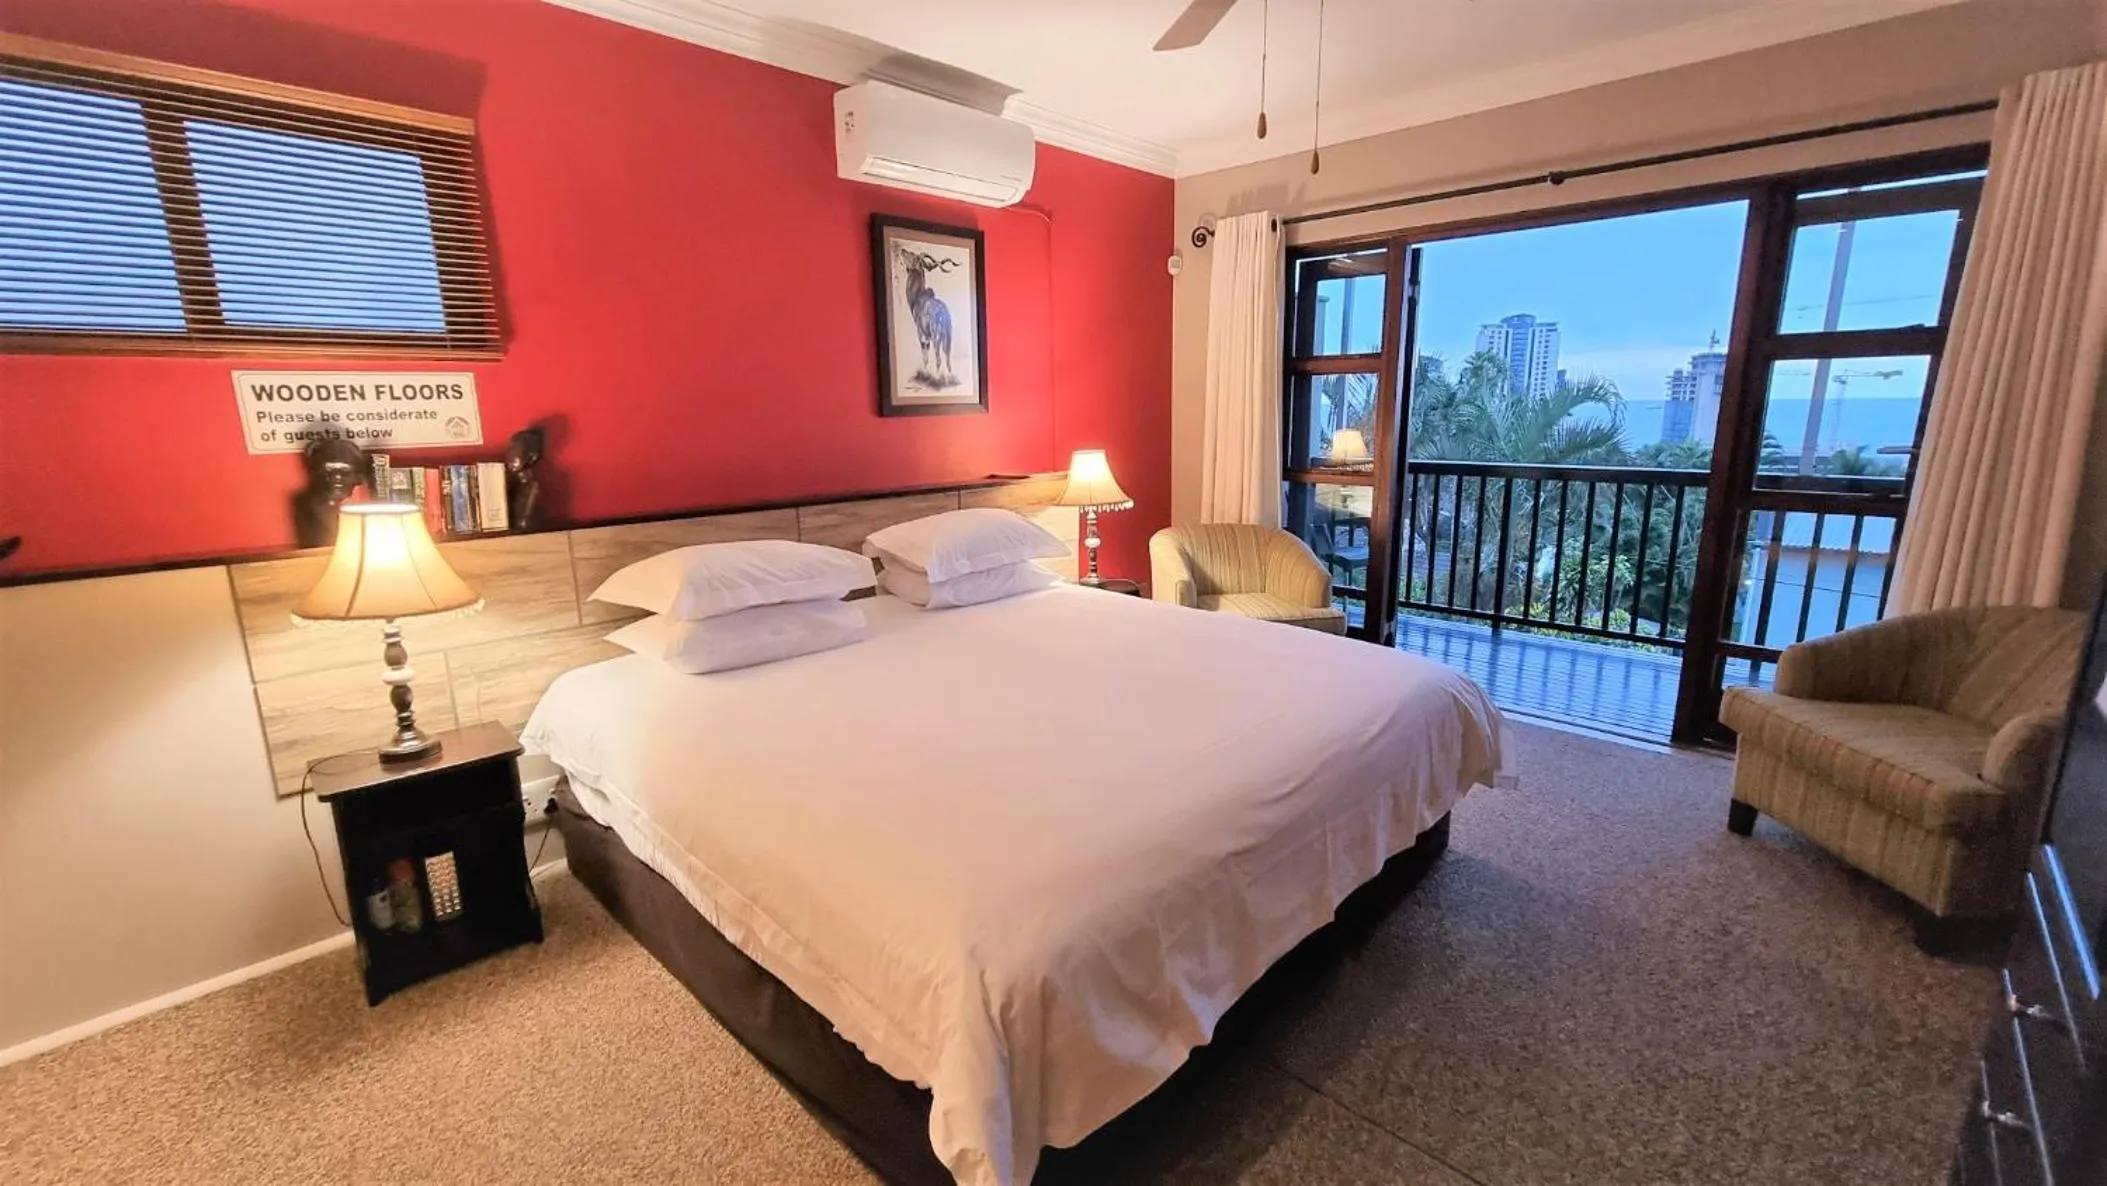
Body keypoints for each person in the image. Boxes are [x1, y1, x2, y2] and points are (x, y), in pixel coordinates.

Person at [293, 437, 366, 547]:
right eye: (329, 470)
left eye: (345, 471)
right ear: (314, 473)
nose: (337, 477)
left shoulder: (358, 509)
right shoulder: (305, 506)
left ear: (358, 477)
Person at [505, 426, 546, 531]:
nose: (510, 455)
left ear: (533, 456)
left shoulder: (531, 487)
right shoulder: (512, 483)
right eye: (510, 448)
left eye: (515, 449)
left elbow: (523, 525)